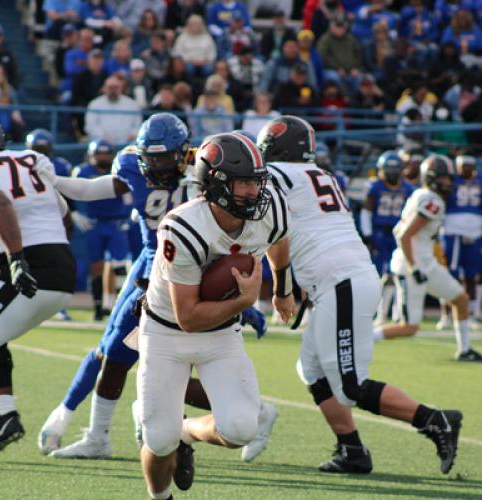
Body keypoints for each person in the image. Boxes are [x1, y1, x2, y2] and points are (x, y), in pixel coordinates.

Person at [36, 114, 270, 463]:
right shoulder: (132, 164)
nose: (158, 167)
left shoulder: (205, 166)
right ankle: (98, 434)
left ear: (183, 152)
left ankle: (245, 414)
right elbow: (90, 189)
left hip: (198, 270)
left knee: (170, 358)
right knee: (116, 351)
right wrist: (51, 180)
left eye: (165, 159)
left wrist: (237, 295)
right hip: (151, 267)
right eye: (152, 159)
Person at [256, 115, 463, 475]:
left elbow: (279, 235)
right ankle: (352, 450)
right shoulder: (319, 174)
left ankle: (436, 420)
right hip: (341, 280)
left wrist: (283, 289)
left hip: (342, 282)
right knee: (311, 370)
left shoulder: (277, 175)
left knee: (351, 385)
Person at [135, 132, 295, 499]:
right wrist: (245, 302)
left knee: (241, 428)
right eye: (243, 183)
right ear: (214, 182)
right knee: (158, 441)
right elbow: (188, 316)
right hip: (166, 333)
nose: (254, 193)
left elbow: (280, 238)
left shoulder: (271, 208)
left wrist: (283, 288)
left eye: (257, 182)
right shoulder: (183, 226)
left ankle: (186, 431)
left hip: (220, 334)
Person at [0, 113, 76, 454]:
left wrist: (18, 258)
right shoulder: (29, 159)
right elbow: (63, 213)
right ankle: (5, 415)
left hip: (21, 268)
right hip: (60, 269)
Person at [373, 154, 482, 362]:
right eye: (444, 178)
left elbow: (399, 231)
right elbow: (404, 236)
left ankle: (465, 350)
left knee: (460, 299)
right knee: (409, 327)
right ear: (432, 177)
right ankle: (365, 339)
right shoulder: (433, 201)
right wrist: (414, 266)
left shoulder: (421, 195)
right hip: (411, 266)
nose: (448, 182)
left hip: (425, 263)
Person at [74, 140, 130, 320]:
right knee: (96, 267)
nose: (103, 157)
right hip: (94, 224)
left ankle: (121, 308)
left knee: (120, 265)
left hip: (116, 223)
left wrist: (128, 215)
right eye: (100, 154)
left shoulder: (119, 170)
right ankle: (99, 310)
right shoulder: (82, 171)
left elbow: (131, 194)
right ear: (92, 155)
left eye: (106, 154)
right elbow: (67, 191)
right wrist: (75, 212)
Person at [25, 128, 74, 321]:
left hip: (53, 219)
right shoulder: (20, 165)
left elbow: (66, 192)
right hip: (29, 220)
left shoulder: (60, 166)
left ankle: (59, 308)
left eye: (43, 149)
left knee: (57, 263)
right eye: (37, 148)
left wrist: (73, 212)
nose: (40, 153)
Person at [360, 151, 415, 322]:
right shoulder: (374, 187)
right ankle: (380, 313)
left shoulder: (408, 188)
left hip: (399, 233)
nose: (391, 173)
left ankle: (395, 312)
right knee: (382, 274)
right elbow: (366, 211)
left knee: (398, 273)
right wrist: (368, 235)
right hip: (380, 233)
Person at [440, 154, 482, 327]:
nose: (465, 168)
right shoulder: (450, 181)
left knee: (472, 275)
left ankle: (471, 313)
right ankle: (447, 313)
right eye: (462, 165)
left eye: (468, 165)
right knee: (451, 273)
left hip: (476, 232)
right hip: (453, 230)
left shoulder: (479, 180)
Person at [85, 76, 142, 146]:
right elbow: (90, 126)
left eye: (116, 87)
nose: (113, 90)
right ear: (104, 89)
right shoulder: (94, 104)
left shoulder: (132, 104)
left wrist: (133, 134)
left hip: (127, 145)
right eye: (110, 88)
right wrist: (104, 137)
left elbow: (137, 124)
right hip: (102, 147)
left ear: (121, 88)